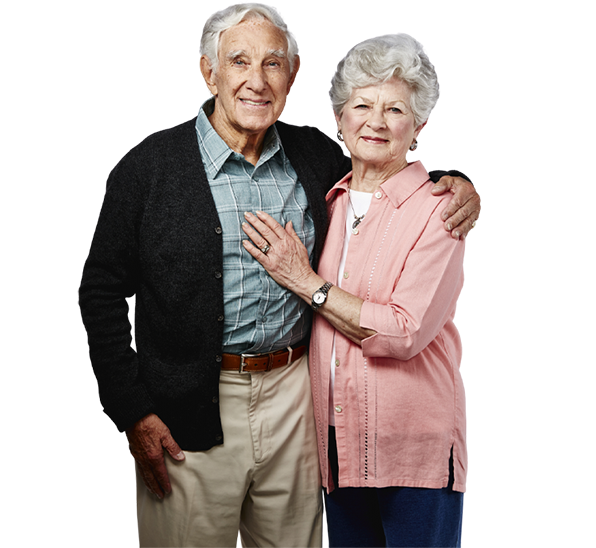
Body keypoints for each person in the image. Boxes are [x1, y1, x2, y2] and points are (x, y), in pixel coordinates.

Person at [79, 5, 479, 548]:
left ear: (290, 79)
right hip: (191, 403)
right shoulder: (150, 167)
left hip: (298, 400)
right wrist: (132, 411)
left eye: (272, 64)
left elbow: (390, 159)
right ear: (208, 71)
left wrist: (470, 176)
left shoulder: (313, 156)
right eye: (238, 61)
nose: (256, 79)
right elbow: (102, 290)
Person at [242, 33, 468, 547]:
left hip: (413, 452)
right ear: (339, 120)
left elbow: (403, 331)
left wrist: (307, 283)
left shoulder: (441, 211)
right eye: (362, 105)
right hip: (336, 447)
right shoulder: (331, 200)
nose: (376, 121)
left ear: (417, 125)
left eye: (395, 109)